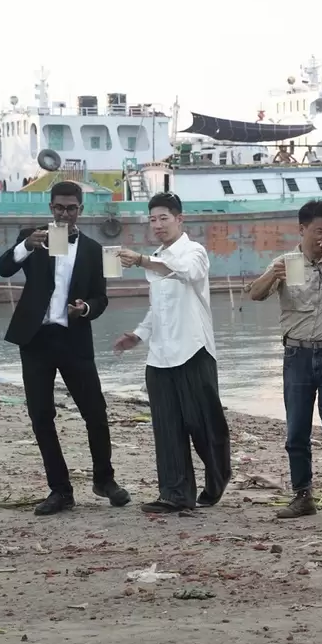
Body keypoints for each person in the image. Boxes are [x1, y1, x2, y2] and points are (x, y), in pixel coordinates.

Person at [0, 181, 130, 515]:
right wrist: (26, 245)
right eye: (59, 207)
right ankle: (60, 490)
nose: (64, 214)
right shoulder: (32, 237)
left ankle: (104, 480)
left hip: (73, 338)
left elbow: (101, 298)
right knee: (42, 416)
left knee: (96, 412)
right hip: (35, 339)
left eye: (71, 208)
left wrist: (85, 309)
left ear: (80, 210)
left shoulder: (93, 250)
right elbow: (4, 268)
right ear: (51, 208)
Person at [113, 192, 231, 514]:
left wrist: (141, 261)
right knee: (167, 428)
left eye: (164, 218)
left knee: (203, 424)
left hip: (193, 350)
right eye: (152, 219)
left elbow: (185, 273)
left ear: (180, 219)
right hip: (160, 356)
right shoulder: (156, 257)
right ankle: (175, 494)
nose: (158, 225)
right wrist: (138, 335)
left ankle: (218, 476)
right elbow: (158, 308)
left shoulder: (194, 252)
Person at [249, 199, 322, 520]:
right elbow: (255, 294)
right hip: (297, 354)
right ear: (302, 230)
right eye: (318, 231)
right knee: (297, 431)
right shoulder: (284, 262)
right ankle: (303, 497)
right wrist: (273, 274)